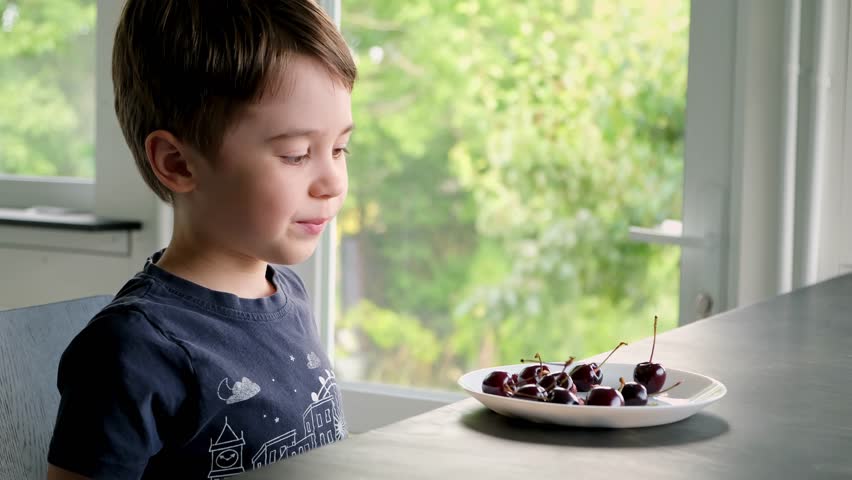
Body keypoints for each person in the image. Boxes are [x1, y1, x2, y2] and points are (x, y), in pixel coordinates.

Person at [47, 1, 356, 478]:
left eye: (339, 149)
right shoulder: (134, 348)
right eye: (296, 155)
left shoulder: (289, 294)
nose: (333, 181)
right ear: (178, 163)